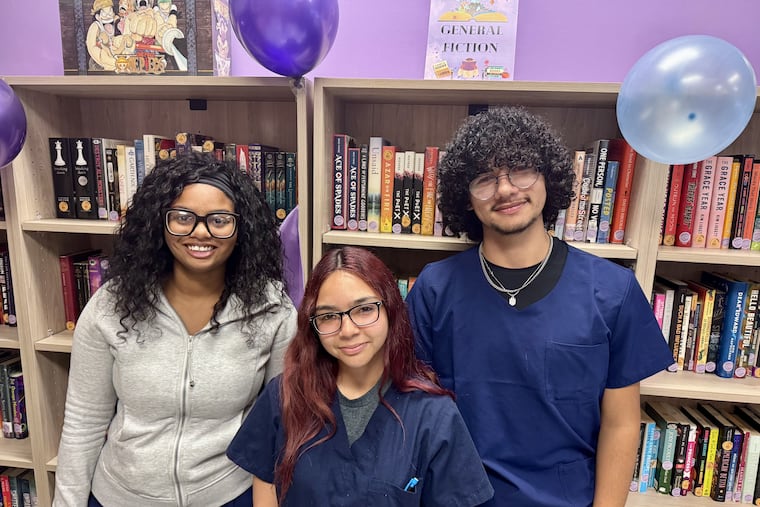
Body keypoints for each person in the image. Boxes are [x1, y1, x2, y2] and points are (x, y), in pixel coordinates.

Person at [405, 107, 674, 507]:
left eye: (520, 171)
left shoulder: (613, 291)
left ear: (549, 177)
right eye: (484, 179)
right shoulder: (433, 289)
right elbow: (414, 413)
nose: (505, 189)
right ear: (466, 197)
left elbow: (620, 424)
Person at [53, 152, 297, 507]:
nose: (201, 232)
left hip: (228, 496)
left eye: (220, 219)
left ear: (242, 227)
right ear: (158, 222)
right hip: (119, 496)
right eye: (183, 218)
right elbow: (83, 424)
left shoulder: (272, 310)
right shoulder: (112, 306)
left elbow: (280, 427)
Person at [226, 246, 494, 506]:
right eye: (329, 316)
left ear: (390, 309)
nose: (348, 330)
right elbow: (266, 487)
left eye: (364, 309)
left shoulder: (434, 416)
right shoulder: (284, 396)